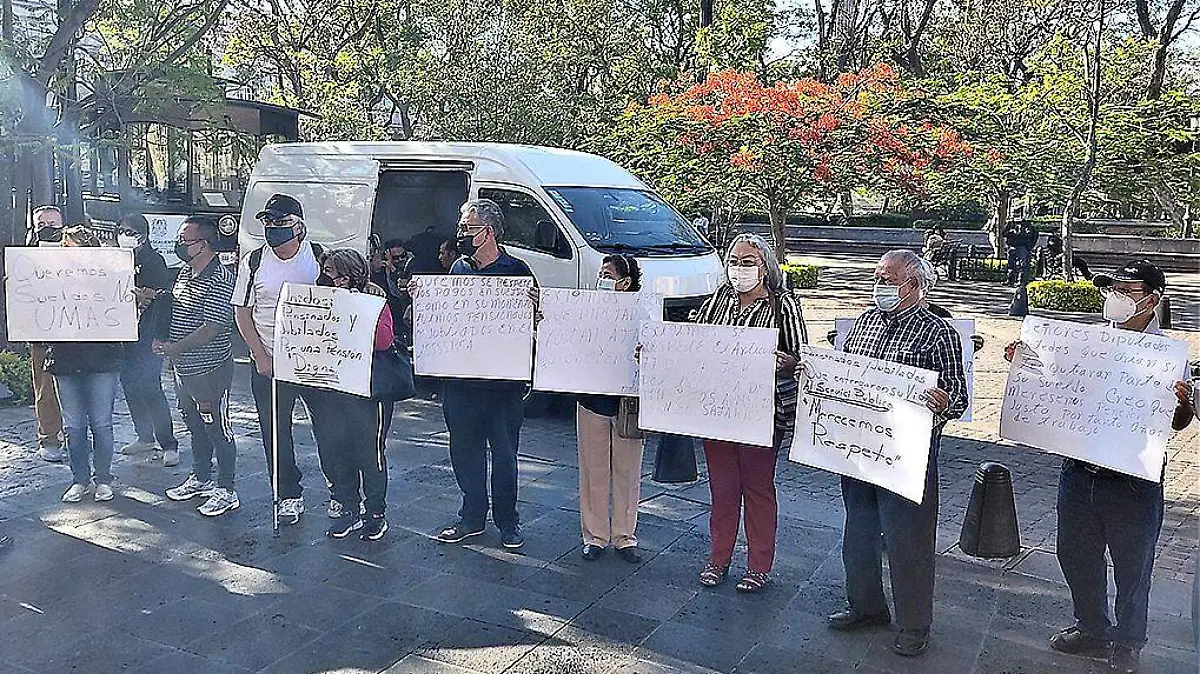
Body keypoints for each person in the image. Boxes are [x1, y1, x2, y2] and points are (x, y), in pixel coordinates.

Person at [1004, 260, 1194, 674]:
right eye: (1113, 290)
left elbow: (1177, 422)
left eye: (1127, 290)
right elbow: (1053, 385)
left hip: (1133, 481)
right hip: (1079, 471)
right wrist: (1024, 364)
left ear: (1152, 299)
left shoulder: (1169, 355)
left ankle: (1128, 642)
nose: (1116, 298)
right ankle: (1090, 625)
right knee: (1075, 555)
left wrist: (1184, 406)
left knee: (1132, 566)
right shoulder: (1086, 342)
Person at [819, 249, 967, 657]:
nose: (879, 285)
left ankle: (915, 624)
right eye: (878, 277)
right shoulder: (864, 322)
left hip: (908, 456)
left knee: (909, 543)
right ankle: (865, 607)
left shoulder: (940, 333)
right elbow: (848, 376)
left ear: (915, 285)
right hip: (859, 448)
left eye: (888, 278)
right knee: (859, 533)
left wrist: (942, 401)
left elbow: (959, 397)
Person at [695, 234, 808, 594]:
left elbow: (800, 358)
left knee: (757, 488)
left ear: (765, 267)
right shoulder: (718, 301)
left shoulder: (783, 306)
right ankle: (718, 558)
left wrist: (785, 362)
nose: (740, 268)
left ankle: (759, 565)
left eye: (748, 261)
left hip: (763, 412)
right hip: (719, 410)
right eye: (735, 260)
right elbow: (693, 343)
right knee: (723, 489)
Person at [427, 199, 535, 549]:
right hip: (461, 381)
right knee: (464, 450)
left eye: (467, 228)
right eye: (461, 226)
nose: (460, 233)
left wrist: (537, 307)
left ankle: (508, 521)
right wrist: (424, 299)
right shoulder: (458, 268)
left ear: (488, 232)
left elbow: (535, 322)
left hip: (502, 385)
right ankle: (471, 515)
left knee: (505, 455)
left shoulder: (518, 271)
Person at [232, 193, 323, 525]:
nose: (273, 228)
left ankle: (340, 491)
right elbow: (242, 311)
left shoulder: (318, 258)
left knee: (329, 429)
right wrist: (260, 356)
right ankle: (287, 492)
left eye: (280, 222)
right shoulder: (253, 261)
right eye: (268, 222)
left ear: (299, 226)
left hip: (315, 362)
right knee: (275, 431)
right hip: (269, 361)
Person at [306, 249, 396, 541]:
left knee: (369, 453)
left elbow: (384, 340)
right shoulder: (319, 299)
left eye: (340, 274)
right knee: (337, 451)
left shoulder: (374, 297)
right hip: (334, 389)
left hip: (370, 390)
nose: (335, 280)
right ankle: (348, 508)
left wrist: (352, 312)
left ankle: (375, 512)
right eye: (330, 273)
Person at [158, 217, 240, 517]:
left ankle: (227, 489)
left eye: (184, 240)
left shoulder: (220, 278)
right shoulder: (184, 271)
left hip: (211, 369)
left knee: (218, 428)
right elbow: (177, 306)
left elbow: (214, 326)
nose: (178, 245)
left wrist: (176, 347)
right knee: (195, 426)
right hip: (183, 368)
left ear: (203, 244)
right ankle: (201, 477)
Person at [572, 254, 646, 564]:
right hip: (592, 399)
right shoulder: (586, 309)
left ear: (624, 283)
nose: (601, 280)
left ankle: (625, 536)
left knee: (627, 472)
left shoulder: (644, 312)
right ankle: (595, 536)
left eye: (607, 275)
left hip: (628, 404)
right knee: (593, 470)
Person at [49, 226, 127, 503]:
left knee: (102, 423)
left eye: (76, 248)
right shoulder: (51, 280)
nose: (70, 254)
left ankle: (103, 478)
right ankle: (79, 479)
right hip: (65, 360)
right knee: (73, 425)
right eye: (67, 248)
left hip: (102, 360)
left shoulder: (108, 278)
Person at [115, 213, 180, 466]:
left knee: (150, 385)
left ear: (143, 235)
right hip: (122, 333)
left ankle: (168, 442)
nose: (124, 236)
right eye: (121, 230)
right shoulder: (115, 260)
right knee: (129, 383)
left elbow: (162, 299)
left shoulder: (154, 261)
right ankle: (144, 436)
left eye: (130, 231)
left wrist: (161, 336)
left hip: (148, 332)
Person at [27, 205, 66, 462]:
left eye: (53, 223)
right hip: (40, 333)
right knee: (45, 388)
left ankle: (78, 435)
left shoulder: (80, 252)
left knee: (77, 388)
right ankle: (49, 437)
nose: (48, 228)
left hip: (75, 333)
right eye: (42, 224)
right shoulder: (24, 257)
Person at [1003, 220, 1038, 285]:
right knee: (1011, 265)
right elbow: (1004, 234)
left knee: (1022, 265)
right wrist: (1009, 226)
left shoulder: (1028, 226)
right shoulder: (1011, 225)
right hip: (1012, 247)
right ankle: (1010, 280)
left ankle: (1021, 281)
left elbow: (1033, 236)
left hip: (1022, 247)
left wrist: (1029, 247)